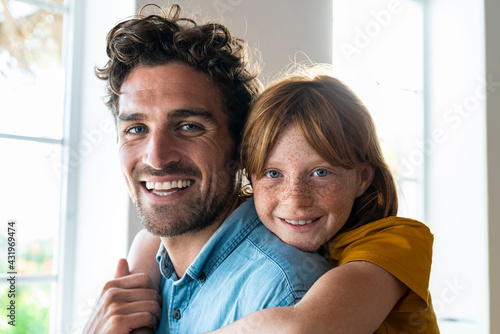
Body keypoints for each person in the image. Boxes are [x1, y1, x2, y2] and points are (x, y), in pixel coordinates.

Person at [132, 67, 440, 333]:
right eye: (273, 173)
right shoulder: (253, 214)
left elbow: (300, 328)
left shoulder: (398, 242)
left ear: (362, 178)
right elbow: (152, 236)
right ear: (249, 176)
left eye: (321, 172)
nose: (296, 200)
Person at [83, 4, 331, 334]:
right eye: (136, 129)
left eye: (188, 127)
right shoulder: (147, 272)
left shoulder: (282, 291)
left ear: (243, 149)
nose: (156, 158)